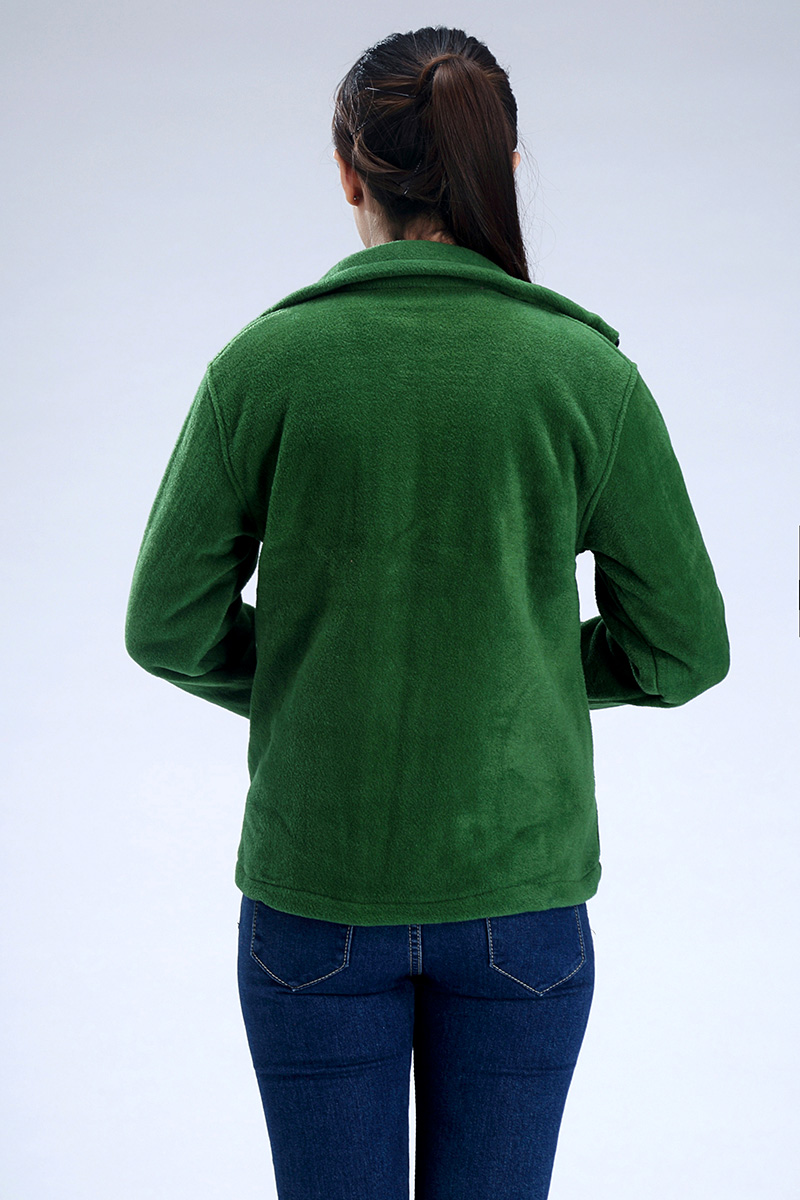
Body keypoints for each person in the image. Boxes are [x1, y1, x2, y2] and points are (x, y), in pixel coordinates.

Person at [124, 24, 730, 1200]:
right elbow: (682, 651)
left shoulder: (264, 366)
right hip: (518, 901)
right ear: (503, 164)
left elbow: (166, 624)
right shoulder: (585, 376)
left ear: (349, 174)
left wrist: (321, 671)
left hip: (314, 898)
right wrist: (510, 669)